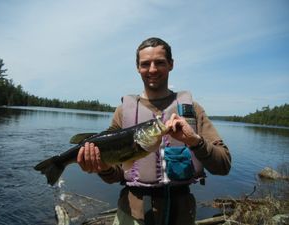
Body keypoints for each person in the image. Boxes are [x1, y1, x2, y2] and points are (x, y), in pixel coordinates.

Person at [77, 37, 231, 225]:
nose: (152, 69)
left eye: (159, 62)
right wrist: (103, 168)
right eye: (145, 64)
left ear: (171, 65)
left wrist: (195, 141)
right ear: (137, 67)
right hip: (130, 215)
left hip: (181, 216)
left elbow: (224, 165)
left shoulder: (192, 110)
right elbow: (115, 175)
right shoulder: (123, 112)